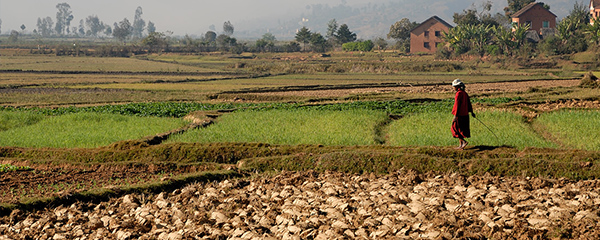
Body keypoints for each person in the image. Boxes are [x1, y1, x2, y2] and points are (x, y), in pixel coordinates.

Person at [451, 79, 475, 150]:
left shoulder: (458, 94)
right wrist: (471, 112)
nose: (453, 88)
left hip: (459, 115)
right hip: (465, 115)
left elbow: (457, 105)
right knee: (461, 129)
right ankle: (461, 145)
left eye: (454, 86)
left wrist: (455, 115)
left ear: (456, 86)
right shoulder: (464, 93)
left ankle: (463, 142)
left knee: (455, 128)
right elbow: (469, 103)